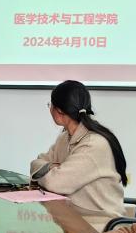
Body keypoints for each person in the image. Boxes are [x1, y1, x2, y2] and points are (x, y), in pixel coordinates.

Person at [29, 80, 127, 220]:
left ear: (59, 111)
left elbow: (55, 183)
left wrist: (50, 172)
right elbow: (36, 164)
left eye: (50, 105)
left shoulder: (93, 145)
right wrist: (51, 167)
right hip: (72, 216)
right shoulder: (65, 138)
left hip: (99, 224)